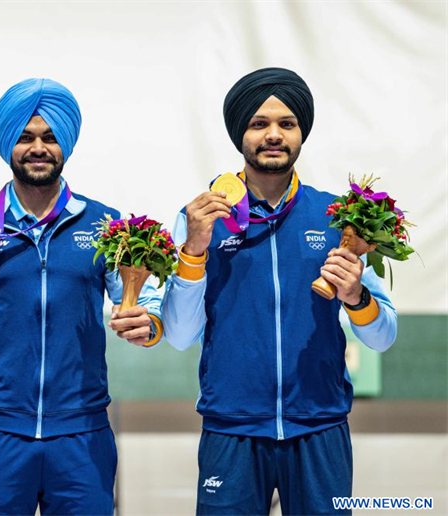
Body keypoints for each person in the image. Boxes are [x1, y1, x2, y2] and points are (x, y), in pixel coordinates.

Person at [0, 78, 164, 515]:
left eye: (50, 137)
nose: (38, 147)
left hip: (81, 431)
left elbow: (145, 299)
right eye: (26, 137)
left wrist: (149, 321)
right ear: (7, 144)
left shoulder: (104, 224)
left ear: (66, 145)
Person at [161, 67, 397, 515]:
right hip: (231, 429)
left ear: (301, 133)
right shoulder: (202, 219)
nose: (273, 134)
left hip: (320, 426)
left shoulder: (338, 216)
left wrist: (357, 298)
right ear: (240, 135)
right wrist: (193, 250)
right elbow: (177, 334)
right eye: (258, 123)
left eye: (286, 124)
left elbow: (383, 336)